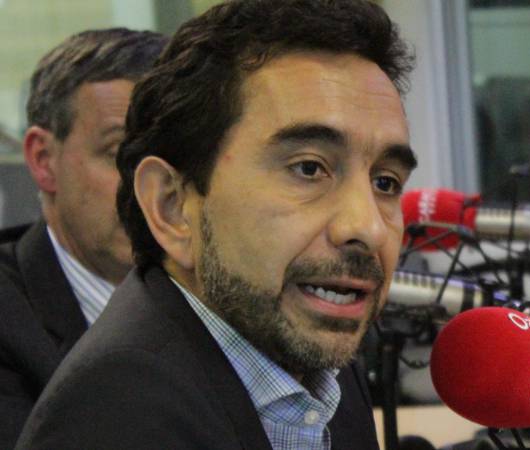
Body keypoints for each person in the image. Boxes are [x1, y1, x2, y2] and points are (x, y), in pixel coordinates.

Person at [16, 1, 417, 449]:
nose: (368, 227)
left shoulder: (316, 362)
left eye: (385, 182)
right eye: (308, 169)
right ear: (171, 206)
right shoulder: (116, 419)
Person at [0, 28, 166, 448]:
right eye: (119, 155)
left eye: (168, 158)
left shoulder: (224, 291)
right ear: (43, 160)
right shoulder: (8, 318)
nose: (152, 191)